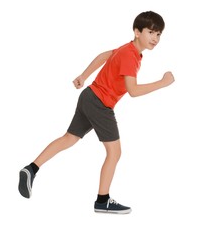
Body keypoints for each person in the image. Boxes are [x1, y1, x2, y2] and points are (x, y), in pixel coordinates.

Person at [18, 11, 175, 214]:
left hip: (89, 96)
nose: (155, 38)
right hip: (100, 103)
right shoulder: (130, 55)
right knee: (115, 152)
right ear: (137, 32)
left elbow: (104, 56)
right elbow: (133, 91)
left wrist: (83, 76)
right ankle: (103, 200)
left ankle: (31, 169)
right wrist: (163, 83)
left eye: (159, 34)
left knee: (69, 138)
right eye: (151, 32)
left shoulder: (127, 49)